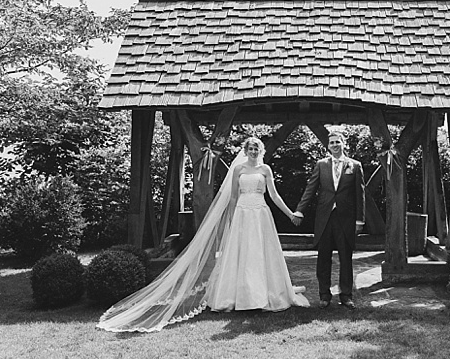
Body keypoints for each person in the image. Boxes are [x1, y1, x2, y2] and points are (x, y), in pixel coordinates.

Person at [98, 137, 307, 333]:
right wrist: (233, 219)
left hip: (261, 214)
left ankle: (265, 295)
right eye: (250, 148)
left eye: (256, 148)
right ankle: (241, 296)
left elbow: (274, 195)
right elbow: (233, 197)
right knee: (242, 255)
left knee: (261, 254)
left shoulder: (265, 169)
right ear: (245, 151)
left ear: (260, 151)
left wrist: (290, 214)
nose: (253, 151)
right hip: (243, 214)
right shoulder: (239, 170)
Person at [293, 131, 365, 309]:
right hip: (325, 218)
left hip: (346, 219)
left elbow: (360, 195)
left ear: (343, 144)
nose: (334, 145)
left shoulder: (355, 166)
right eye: (331, 142)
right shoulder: (321, 165)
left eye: (337, 142)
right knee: (323, 257)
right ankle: (324, 295)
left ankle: (346, 295)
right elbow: (311, 188)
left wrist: (359, 220)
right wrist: (299, 210)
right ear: (328, 146)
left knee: (345, 257)